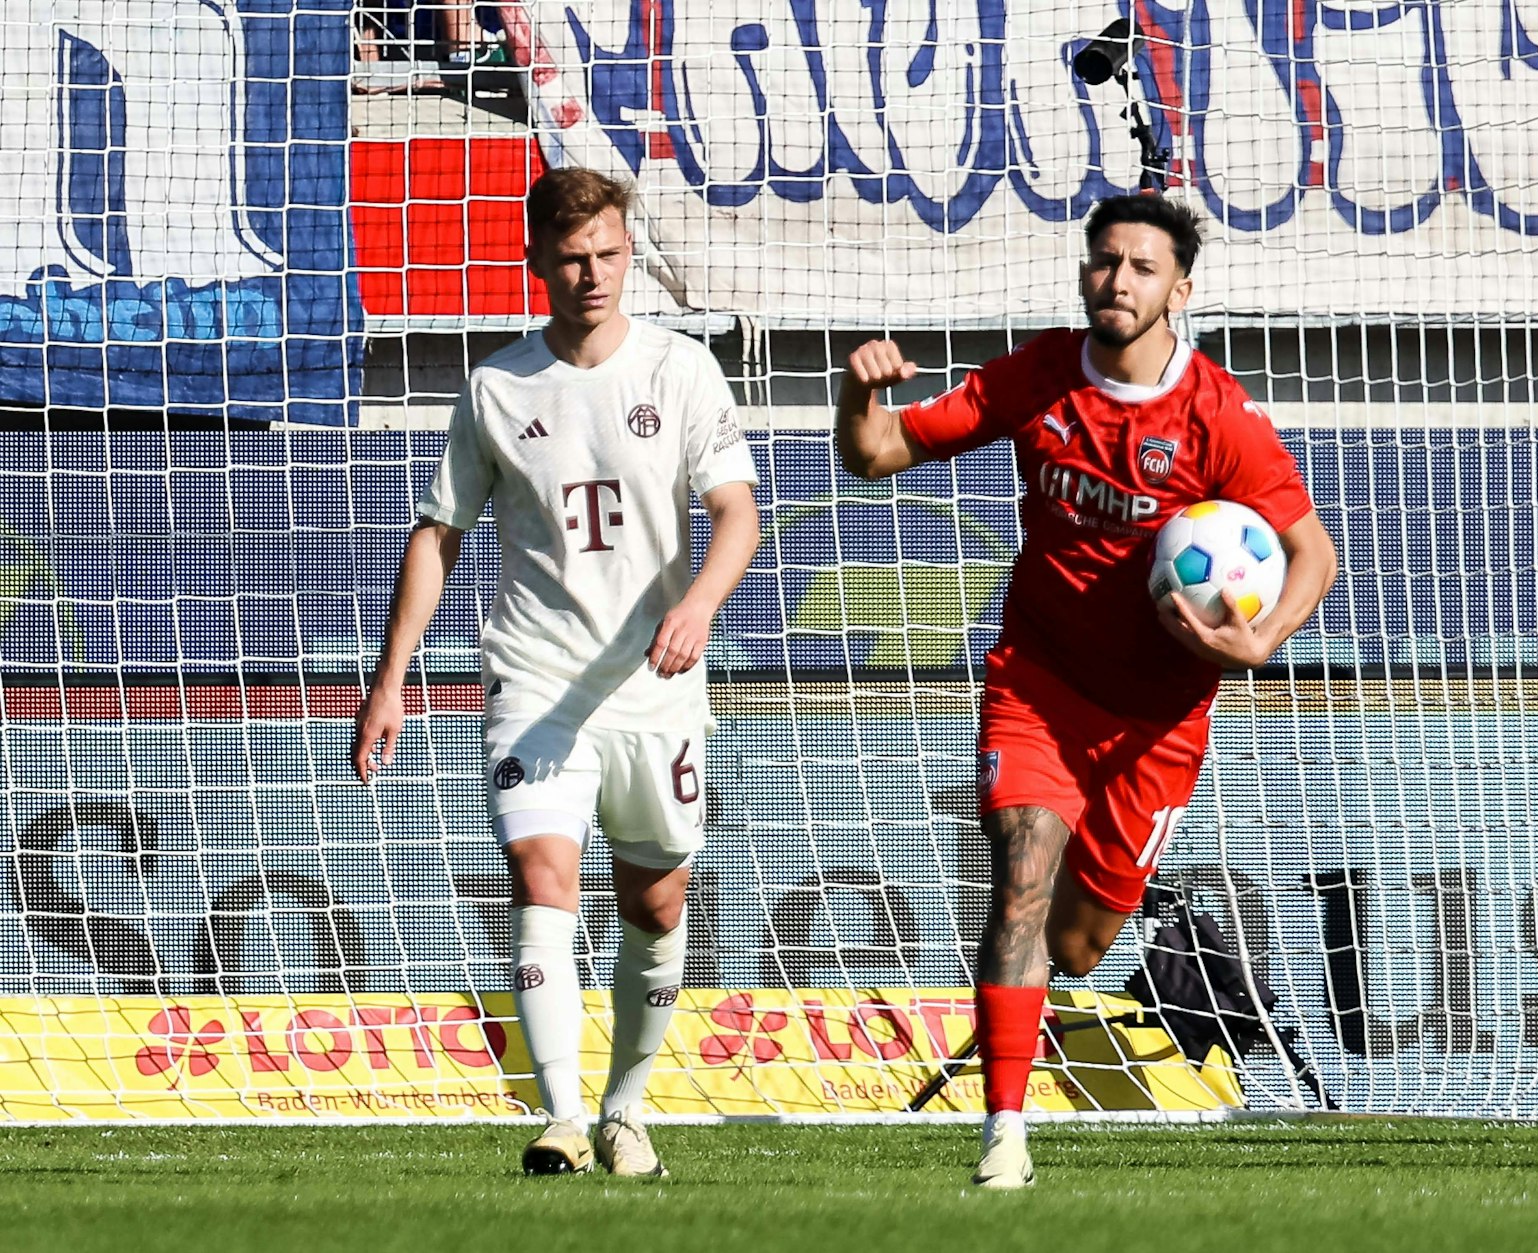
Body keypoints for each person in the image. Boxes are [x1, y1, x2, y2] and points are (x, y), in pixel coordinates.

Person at [835, 193, 1337, 1189]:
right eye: (1104, 261)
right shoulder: (1038, 376)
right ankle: (1004, 1134)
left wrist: (1257, 639)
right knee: (1019, 872)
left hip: (1158, 722)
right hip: (1040, 684)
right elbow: (875, 453)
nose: (1117, 280)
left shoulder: (1219, 418)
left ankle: (1031, 1024)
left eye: (1141, 268)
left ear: (1178, 291)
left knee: (1072, 944)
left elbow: (1309, 550)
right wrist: (859, 396)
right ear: (1082, 271)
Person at [352, 167, 760, 1177]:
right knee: (542, 875)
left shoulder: (680, 370)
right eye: (573, 257)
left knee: (656, 902)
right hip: (534, 678)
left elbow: (737, 513)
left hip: (653, 687)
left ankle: (625, 1108)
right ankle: (563, 1118)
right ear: (536, 260)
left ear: (629, 256)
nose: (593, 275)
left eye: (610, 255)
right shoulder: (496, 387)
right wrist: (390, 676)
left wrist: (698, 603)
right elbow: (438, 532)